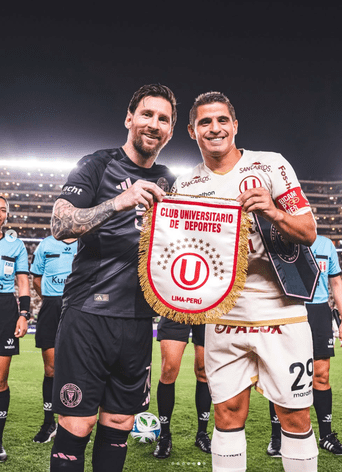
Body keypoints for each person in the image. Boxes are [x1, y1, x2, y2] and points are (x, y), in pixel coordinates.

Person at [175, 91, 317, 472]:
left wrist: (272, 211)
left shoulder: (270, 165)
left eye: (222, 120)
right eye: (205, 122)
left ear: (235, 125)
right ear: (192, 131)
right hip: (223, 315)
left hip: (281, 311)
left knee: (296, 418)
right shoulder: (185, 186)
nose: (215, 128)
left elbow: (307, 231)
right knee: (227, 414)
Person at [48, 84, 177, 472]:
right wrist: (119, 201)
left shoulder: (170, 179)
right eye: (147, 114)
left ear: (171, 131)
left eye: (164, 119)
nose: (154, 124)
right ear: (129, 118)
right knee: (76, 422)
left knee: (120, 422)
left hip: (139, 320)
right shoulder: (96, 164)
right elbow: (60, 224)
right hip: (89, 313)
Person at [266, 234, 342, 457]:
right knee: (281, 374)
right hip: (288, 308)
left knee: (321, 375)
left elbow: (336, 282)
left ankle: (326, 436)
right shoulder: (280, 241)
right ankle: (277, 437)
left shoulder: (326, 244)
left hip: (319, 310)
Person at [30, 235, 77, 443]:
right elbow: (37, 279)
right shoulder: (46, 243)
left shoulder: (86, 242)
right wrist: (51, 299)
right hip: (51, 306)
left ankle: (75, 422)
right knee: (50, 369)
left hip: (78, 309)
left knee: (78, 368)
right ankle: (49, 422)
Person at [153, 319, 212, 458]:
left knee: (203, 370)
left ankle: (202, 434)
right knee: (168, 369)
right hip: (177, 305)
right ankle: (165, 436)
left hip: (205, 307)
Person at [0, 197, 30, 462]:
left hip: (5, 308)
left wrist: (24, 314)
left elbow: (22, 281)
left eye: (2, 209)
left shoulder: (15, 244)